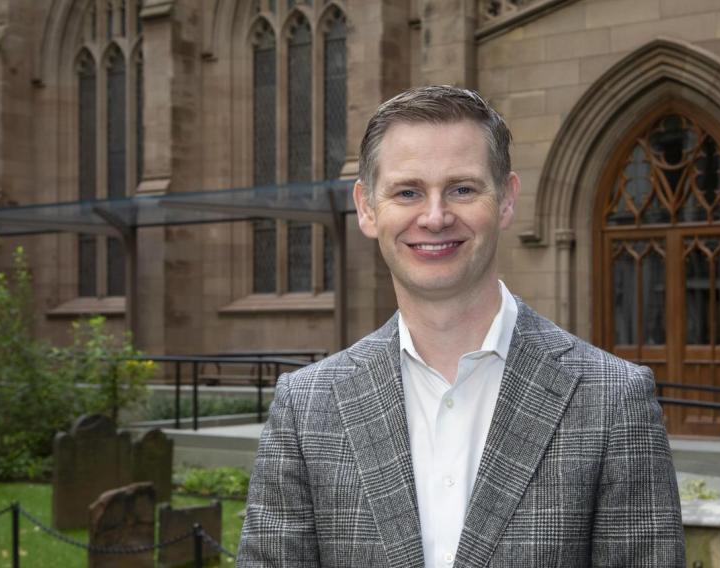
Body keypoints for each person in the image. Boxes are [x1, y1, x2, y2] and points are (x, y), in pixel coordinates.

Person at [237, 85, 684, 567]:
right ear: (367, 208)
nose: (434, 217)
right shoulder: (306, 408)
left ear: (507, 201)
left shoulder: (613, 398)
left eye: (463, 189)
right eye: (407, 192)